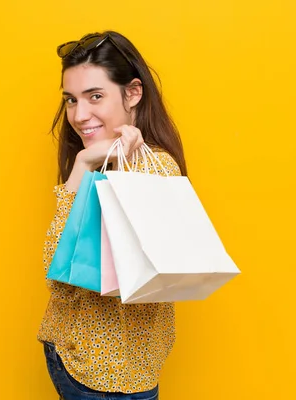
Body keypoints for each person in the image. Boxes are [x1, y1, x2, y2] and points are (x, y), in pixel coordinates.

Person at [37, 30, 188, 399]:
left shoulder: (158, 168)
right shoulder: (90, 161)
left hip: (129, 368)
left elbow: (158, 270)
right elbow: (59, 278)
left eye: (95, 96)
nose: (78, 114)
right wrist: (83, 165)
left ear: (133, 93)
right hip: (83, 362)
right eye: (71, 100)